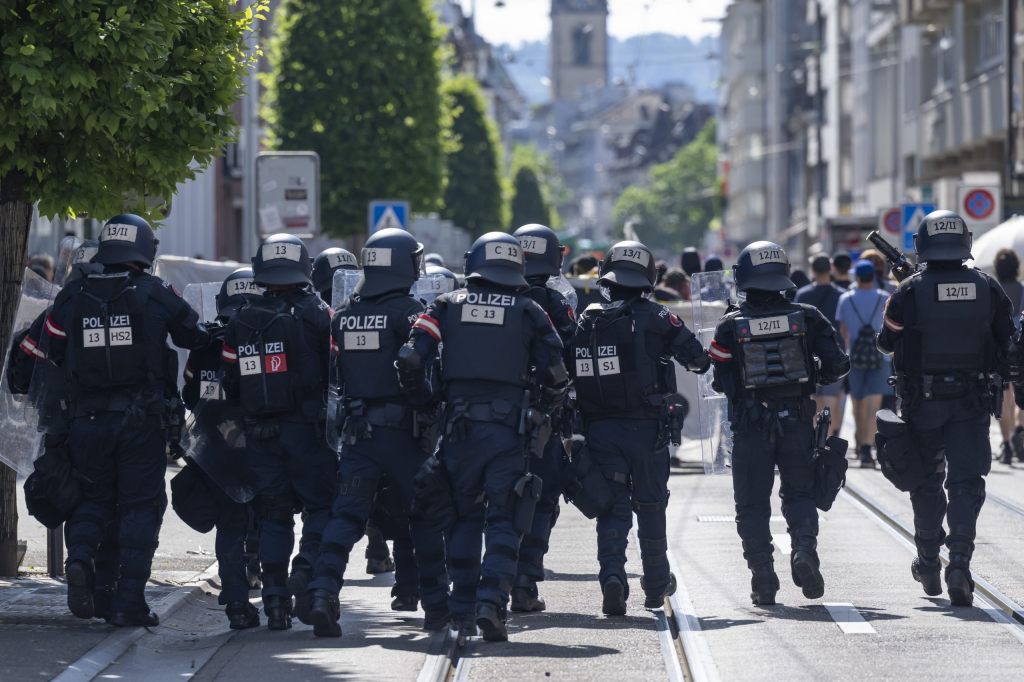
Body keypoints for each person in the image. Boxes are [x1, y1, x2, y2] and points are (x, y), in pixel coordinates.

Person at [397, 232, 568, 642]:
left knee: (463, 516)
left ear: (473, 264)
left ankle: (461, 610)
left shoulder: (445, 305)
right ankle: (493, 604)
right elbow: (557, 373)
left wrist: (428, 401)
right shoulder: (530, 310)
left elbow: (410, 357)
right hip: (509, 432)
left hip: (458, 429)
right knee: (506, 518)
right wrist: (541, 409)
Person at [45, 214, 209, 626]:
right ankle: (128, 602)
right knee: (140, 507)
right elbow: (194, 333)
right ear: (144, 251)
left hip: (85, 420)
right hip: (141, 423)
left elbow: (50, 345)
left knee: (91, 499)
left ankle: (81, 562)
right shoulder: (153, 292)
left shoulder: (73, 293)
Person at [303, 228, 449, 637]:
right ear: (405, 265)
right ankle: (437, 608)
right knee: (424, 515)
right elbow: (419, 364)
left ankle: (322, 594)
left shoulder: (344, 317)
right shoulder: (410, 313)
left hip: (357, 436)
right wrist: (425, 402)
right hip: (404, 435)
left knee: (346, 516)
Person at [879, 209, 1013, 606]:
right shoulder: (988, 288)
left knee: (926, 480)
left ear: (922, 244)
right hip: (971, 401)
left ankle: (926, 559)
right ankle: (959, 563)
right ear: (965, 242)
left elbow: (887, 342)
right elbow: (1007, 341)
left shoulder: (909, 292)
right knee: (966, 484)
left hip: (923, 401)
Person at [569, 240, 710, 615]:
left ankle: (613, 578)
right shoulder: (657, 317)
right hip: (647, 431)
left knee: (612, 509)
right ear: (648, 277)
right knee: (650, 505)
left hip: (599, 430)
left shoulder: (585, 319)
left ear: (606, 277)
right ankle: (655, 584)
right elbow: (699, 361)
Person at [708, 241, 849, 605]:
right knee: (800, 494)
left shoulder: (729, 326)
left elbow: (718, 378)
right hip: (798, 422)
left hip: (750, 427)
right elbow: (838, 365)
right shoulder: (808, 316)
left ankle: (763, 579)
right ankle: (803, 551)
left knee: (752, 505)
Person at [220, 233, 337, 630]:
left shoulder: (241, 320)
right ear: (303, 268)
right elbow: (337, 372)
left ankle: (273, 599)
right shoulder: (320, 313)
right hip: (308, 433)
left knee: (273, 516)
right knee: (322, 507)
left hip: (260, 436)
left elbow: (229, 381)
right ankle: (306, 570)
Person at [181, 267, 264, 630]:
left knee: (230, 526)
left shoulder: (207, 343)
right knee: (272, 519)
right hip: (264, 442)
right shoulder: (270, 334)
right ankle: (276, 596)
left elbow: (189, 395)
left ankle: (236, 599)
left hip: (217, 448)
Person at [509, 223, 577, 613]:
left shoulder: (478, 298)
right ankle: (525, 584)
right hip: (543, 419)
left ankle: (492, 583)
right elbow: (569, 354)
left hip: (491, 421)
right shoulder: (552, 302)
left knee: (495, 499)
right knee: (543, 497)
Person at [836, 259, 891, 468]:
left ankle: (860, 442)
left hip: (855, 356)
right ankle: (868, 446)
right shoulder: (884, 297)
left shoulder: (845, 299)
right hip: (880, 356)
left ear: (857, 277)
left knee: (857, 400)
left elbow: (843, 332)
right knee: (874, 402)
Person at [795, 255, 845, 433]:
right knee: (832, 395)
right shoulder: (841, 295)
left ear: (813, 271)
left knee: (813, 396)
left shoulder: (802, 295)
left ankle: (815, 435)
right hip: (834, 350)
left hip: (808, 353)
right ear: (830, 269)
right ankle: (829, 437)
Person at [993, 248, 1024, 464]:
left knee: (1004, 395)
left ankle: (1007, 444)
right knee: (1021, 390)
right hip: (1021, 343)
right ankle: (1020, 432)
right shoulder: (1022, 289)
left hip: (1001, 343)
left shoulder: (993, 289)